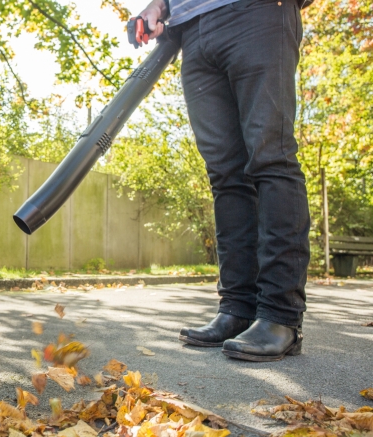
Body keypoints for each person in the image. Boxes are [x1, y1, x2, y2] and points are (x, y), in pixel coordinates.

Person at [134, 0, 313, 362]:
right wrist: (159, 6)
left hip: (257, 12)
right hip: (193, 30)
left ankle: (280, 317)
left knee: (270, 157)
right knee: (226, 175)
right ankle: (238, 308)